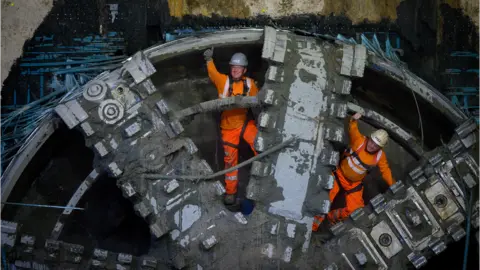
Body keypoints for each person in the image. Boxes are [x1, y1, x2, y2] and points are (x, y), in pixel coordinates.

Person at [312, 112, 395, 231]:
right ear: (370, 138)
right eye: (372, 141)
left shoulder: (380, 157)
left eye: (376, 145)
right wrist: (353, 120)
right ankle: (312, 228)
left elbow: (385, 171)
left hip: (353, 185)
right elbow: (352, 128)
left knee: (356, 211)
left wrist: (394, 186)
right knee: (323, 202)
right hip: (338, 174)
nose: (372, 146)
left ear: (380, 148)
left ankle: (331, 218)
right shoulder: (359, 141)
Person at [203, 48, 259, 206]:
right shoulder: (224, 82)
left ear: (244, 70)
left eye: (239, 67)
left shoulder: (250, 84)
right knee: (230, 161)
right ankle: (231, 192)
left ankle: (265, 183)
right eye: (233, 67)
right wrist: (208, 59)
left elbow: (260, 100)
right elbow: (213, 73)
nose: (235, 69)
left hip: (245, 124)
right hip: (228, 127)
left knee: (261, 148)